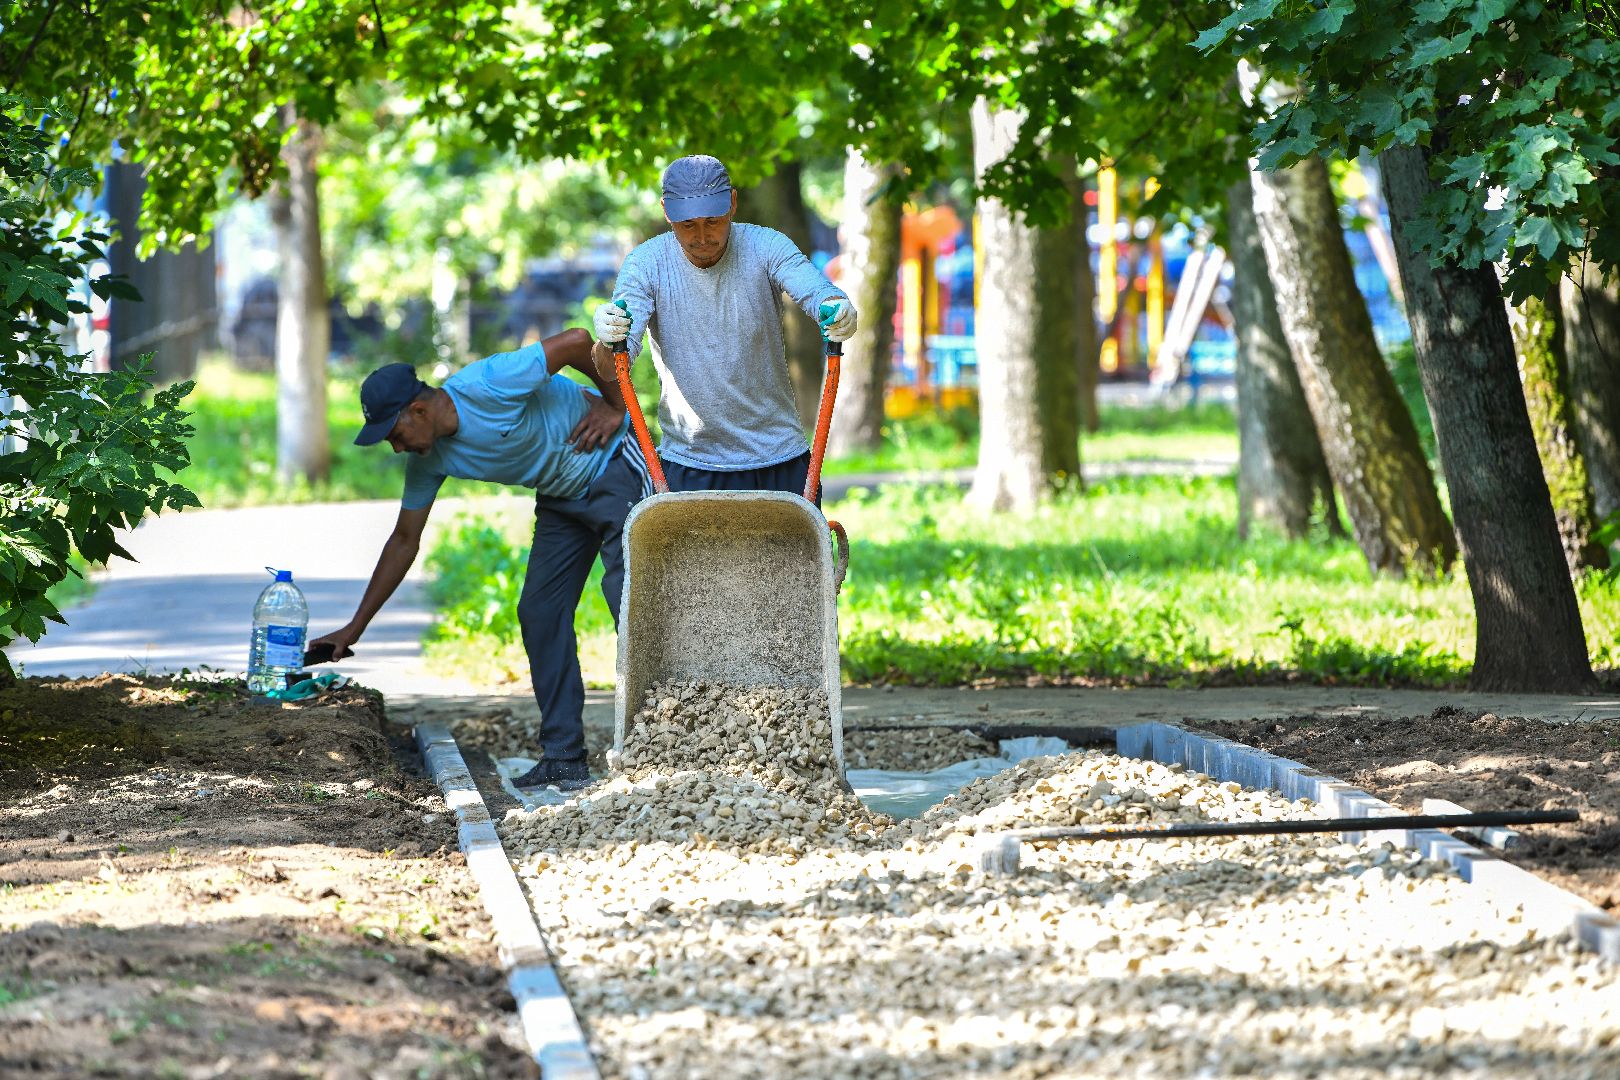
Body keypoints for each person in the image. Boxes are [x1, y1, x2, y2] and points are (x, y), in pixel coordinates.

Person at [309, 328, 650, 791]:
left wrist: (615, 405)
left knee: (628, 598)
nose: (396, 447)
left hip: (614, 465)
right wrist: (354, 628)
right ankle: (564, 757)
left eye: (395, 433)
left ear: (420, 409)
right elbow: (404, 540)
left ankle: (661, 738)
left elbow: (576, 341)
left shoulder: (489, 383)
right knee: (539, 611)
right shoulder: (430, 460)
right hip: (560, 496)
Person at [591, 154, 859, 500]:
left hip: (779, 458)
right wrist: (607, 339)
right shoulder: (647, 264)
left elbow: (815, 291)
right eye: (687, 225)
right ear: (666, 212)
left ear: (732, 203)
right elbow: (614, 367)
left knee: (798, 556)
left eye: (713, 221)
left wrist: (835, 310)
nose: (702, 236)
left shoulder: (766, 246)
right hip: (689, 462)